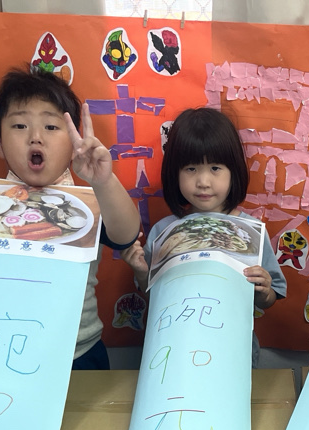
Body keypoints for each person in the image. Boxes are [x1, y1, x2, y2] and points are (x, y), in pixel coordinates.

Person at [0, 67, 141, 370]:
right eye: (20, 126)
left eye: (51, 126)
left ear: (73, 144)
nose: (36, 137)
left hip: (77, 353)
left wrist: (104, 181)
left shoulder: (88, 203)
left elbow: (126, 235)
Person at [119, 107, 286, 366]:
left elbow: (270, 297)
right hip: (173, 349)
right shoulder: (164, 232)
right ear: (175, 173)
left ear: (234, 171)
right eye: (191, 169)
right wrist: (142, 272)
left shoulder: (250, 231)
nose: (203, 182)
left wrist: (264, 292)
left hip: (233, 351)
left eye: (215, 168)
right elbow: (156, 298)